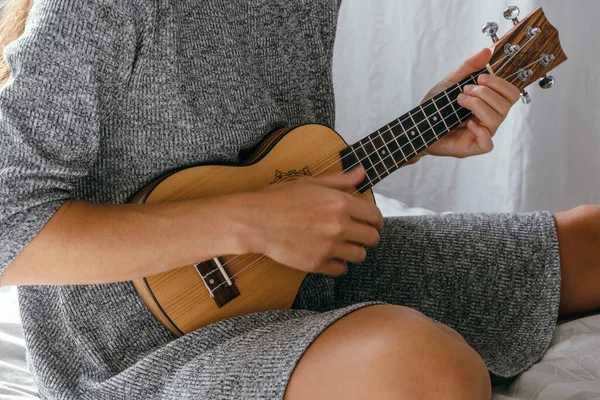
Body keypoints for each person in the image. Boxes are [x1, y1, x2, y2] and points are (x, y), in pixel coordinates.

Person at [0, 1, 598, 399]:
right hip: (134, 355)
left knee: (591, 243)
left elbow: (273, 166)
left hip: (296, 282)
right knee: (426, 368)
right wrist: (249, 222)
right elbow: (9, 227)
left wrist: (419, 132)